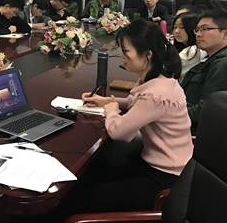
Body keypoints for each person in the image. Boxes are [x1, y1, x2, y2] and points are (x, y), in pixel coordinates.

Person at [74, 20, 192, 212]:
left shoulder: (155, 94)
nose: (123, 56)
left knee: (89, 195)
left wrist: (111, 110)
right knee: (99, 170)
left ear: (147, 55)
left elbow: (120, 132)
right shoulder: (161, 80)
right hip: (174, 167)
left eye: (126, 51)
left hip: (165, 177)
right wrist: (107, 101)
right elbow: (138, 104)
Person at [181, 9, 227, 133]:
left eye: (205, 29)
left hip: (190, 131)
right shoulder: (213, 57)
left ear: (226, 34)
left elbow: (207, 109)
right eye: (197, 30)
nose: (198, 34)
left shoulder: (225, 64)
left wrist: (167, 115)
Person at [172, 11, 206, 79]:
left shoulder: (193, 51)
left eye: (182, 27)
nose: (176, 31)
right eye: (175, 27)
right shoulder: (183, 48)